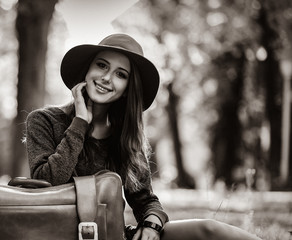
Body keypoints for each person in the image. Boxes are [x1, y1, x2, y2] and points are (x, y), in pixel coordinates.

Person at [25, 33, 262, 240]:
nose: (107, 78)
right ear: (87, 70)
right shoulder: (44, 121)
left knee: (209, 230)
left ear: (128, 88)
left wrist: (151, 224)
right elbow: (47, 184)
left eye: (120, 74)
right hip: (58, 235)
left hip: (113, 236)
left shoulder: (125, 137)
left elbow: (146, 201)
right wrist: (79, 123)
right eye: (102, 65)